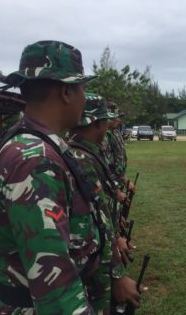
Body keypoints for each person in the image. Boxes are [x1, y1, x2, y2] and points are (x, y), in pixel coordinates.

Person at [0, 40, 97, 314]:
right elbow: (55, 285)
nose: (85, 98)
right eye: (82, 89)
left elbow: (20, 237)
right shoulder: (35, 159)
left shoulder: (34, 143)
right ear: (66, 91)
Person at [67, 93, 141, 313]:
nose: (110, 123)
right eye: (106, 119)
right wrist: (117, 273)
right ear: (96, 122)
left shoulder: (84, 151)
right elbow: (97, 216)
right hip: (92, 255)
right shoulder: (82, 158)